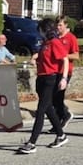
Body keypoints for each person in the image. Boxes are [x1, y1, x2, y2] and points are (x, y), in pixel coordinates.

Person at [18, 18, 69, 154]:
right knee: (48, 109)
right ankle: (61, 135)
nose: (39, 32)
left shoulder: (55, 42)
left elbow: (65, 59)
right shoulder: (45, 44)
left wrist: (63, 78)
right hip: (41, 78)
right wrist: (36, 60)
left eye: (40, 29)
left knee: (40, 110)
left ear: (46, 30)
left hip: (50, 79)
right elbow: (45, 59)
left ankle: (32, 142)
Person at [49, 16, 79, 133]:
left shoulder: (71, 38)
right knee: (53, 98)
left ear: (66, 25)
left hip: (65, 72)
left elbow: (76, 55)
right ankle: (60, 119)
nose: (58, 27)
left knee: (58, 96)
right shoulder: (55, 38)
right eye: (57, 25)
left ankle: (64, 116)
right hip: (54, 70)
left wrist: (64, 55)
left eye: (60, 25)